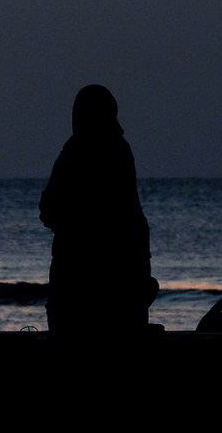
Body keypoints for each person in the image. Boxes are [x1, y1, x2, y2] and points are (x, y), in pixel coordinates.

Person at [39, 85, 157, 335]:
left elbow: (49, 209)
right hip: (110, 269)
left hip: (87, 271)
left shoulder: (74, 153)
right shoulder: (113, 150)